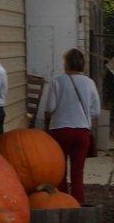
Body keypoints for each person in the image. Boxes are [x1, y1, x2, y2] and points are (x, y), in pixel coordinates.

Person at [36, 48, 102, 204]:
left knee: (60, 171)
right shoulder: (89, 83)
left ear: (66, 63)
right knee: (78, 173)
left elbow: (50, 107)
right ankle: (78, 203)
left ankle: (63, 203)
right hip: (82, 131)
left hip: (60, 130)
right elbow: (96, 110)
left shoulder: (57, 81)